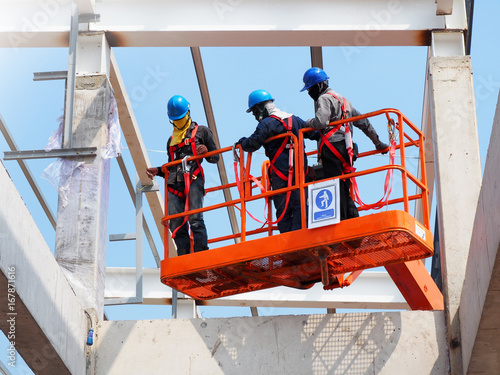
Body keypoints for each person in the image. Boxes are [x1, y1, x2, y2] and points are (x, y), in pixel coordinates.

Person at [300, 67, 389, 220]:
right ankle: (352, 219)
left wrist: (307, 123)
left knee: (335, 186)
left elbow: (321, 122)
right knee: (343, 186)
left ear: (319, 86)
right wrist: (377, 142)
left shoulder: (324, 98)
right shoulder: (344, 101)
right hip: (347, 149)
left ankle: (344, 223)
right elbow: (364, 122)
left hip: (332, 149)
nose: (309, 93)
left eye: (310, 89)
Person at [146, 95, 219, 255]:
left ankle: (201, 253)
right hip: (174, 183)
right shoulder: (171, 140)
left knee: (194, 218)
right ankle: (183, 255)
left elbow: (215, 158)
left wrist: (206, 152)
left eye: (180, 118)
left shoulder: (202, 132)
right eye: (176, 119)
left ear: (188, 113)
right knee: (175, 221)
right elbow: (172, 165)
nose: (179, 122)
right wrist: (158, 170)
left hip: (193, 178)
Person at [235, 89, 315, 233]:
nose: (255, 116)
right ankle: (302, 235)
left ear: (260, 107)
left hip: (281, 175)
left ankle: (289, 243)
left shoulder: (267, 124)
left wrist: (242, 142)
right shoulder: (294, 119)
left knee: (283, 210)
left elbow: (251, 144)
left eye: (254, 112)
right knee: (302, 204)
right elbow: (314, 133)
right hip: (301, 172)